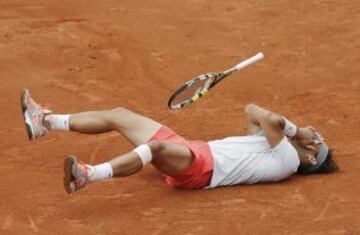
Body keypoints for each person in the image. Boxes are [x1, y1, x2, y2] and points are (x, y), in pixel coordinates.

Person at [20, 89, 338, 193]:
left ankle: (87, 175)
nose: (312, 140)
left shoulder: (288, 160)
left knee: (155, 149)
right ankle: (45, 122)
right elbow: (253, 110)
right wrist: (293, 133)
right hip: (193, 149)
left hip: (199, 169)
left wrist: (297, 134)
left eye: (316, 145)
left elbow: (274, 121)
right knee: (120, 115)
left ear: (309, 161)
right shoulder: (271, 146)